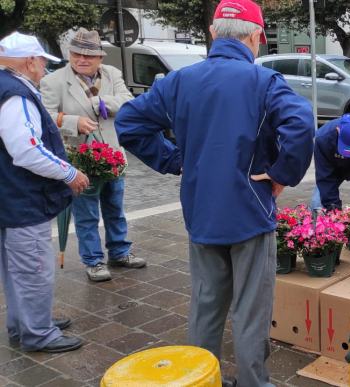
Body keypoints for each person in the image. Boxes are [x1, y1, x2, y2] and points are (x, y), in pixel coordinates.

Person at [114, 0, 314, 385]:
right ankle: (254, 381)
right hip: (250, 210)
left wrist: (175, 160)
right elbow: (301, 123)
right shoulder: (264, 81)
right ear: (256, 36)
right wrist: (280, 175)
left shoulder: (179, 81)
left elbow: (130, 121)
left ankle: (200, 377)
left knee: (206, 305)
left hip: (201, 210)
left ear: (212, 33)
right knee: (251, 310)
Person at [0, 32, 90, 353]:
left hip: (9, 197)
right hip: (22, 199)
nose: (43, 68)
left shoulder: (6, 87)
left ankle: (23, 324)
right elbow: (26, 149)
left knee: (15, 271)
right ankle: (39, 333)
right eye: (41, 61)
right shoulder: (15, 94)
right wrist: (69, 172)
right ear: (29, 61)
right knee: (34, 268)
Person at [41, 28, 140, 283]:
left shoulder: (112, 74)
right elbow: (44, 117)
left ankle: (120, 252)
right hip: (79, 158)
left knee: (115, 208)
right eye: (76, 54)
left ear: (100, 58)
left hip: (113, 155)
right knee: (86, 214)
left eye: (88, 56)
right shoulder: (53, 81)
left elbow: (128, 101)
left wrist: (101, 103)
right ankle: (93, 261)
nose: (81, 59)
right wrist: (73, 121)